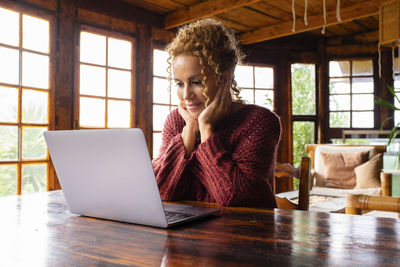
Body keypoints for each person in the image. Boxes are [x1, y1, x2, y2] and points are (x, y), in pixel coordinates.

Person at [152, 19, 281, 209]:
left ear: (224, 79)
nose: (186, 95)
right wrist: (186, 140)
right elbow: (159, 193)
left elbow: (238, 199)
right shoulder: (177, 121)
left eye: (196, 82)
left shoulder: (259, 121)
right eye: (179, 83)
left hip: (243, 235)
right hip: (185, 236)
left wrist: (206, 130)